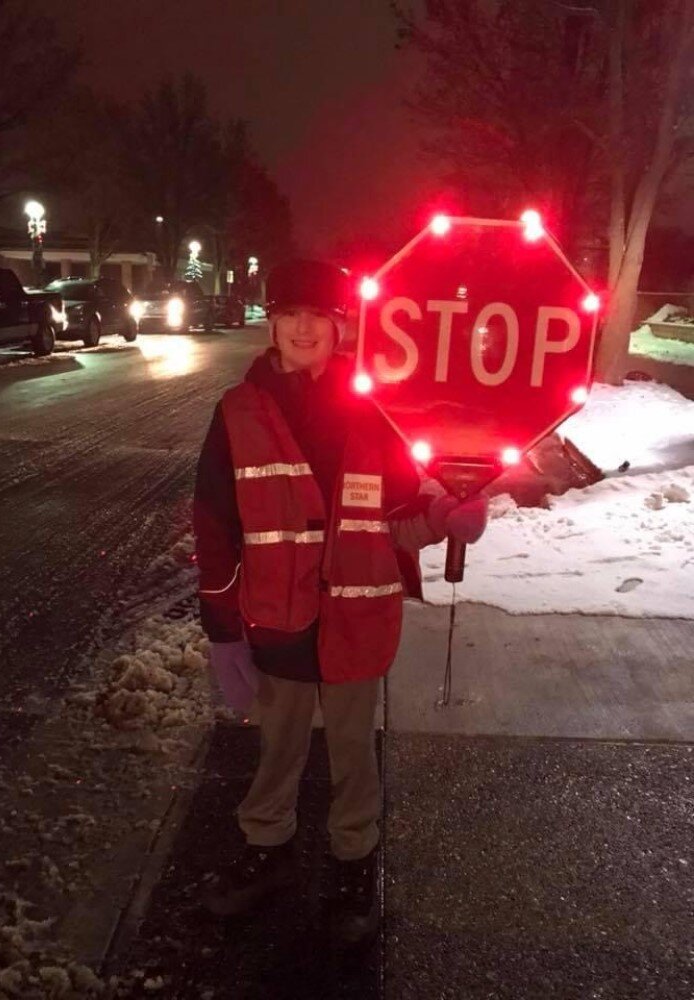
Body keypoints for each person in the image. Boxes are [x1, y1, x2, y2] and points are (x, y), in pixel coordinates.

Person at [193, 259, 487, 945]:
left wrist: (445, 519)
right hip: (278, 619)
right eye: (290, 314)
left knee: (355, 754)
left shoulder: (378, 410)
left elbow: (398, 518)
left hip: (358, 616)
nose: (302, 328)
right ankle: (265, 851)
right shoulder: (236, 411)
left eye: (317, 317)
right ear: (273, 323)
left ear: (339, 327)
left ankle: (353, 862)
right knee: (278, 747)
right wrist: (222, 629)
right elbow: (214, 524)